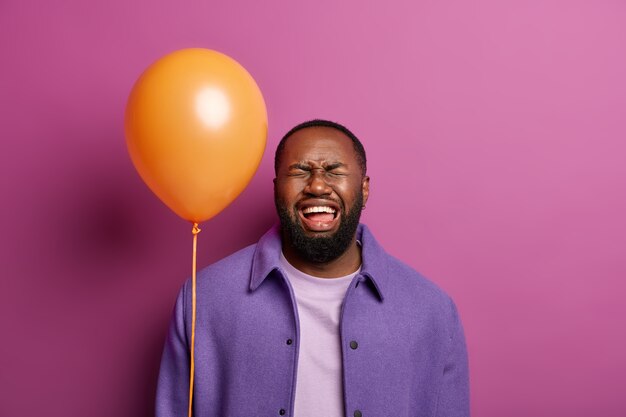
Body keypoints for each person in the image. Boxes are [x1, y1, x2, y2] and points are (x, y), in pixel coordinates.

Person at [156, 119, 470, 417]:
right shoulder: (205, 299)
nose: (317, 185)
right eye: (300, 171)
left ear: (364, 189)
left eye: (334, 170)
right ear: (277, 188)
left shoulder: (432, 310)